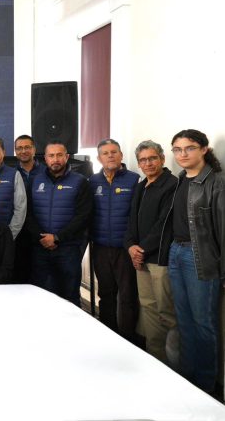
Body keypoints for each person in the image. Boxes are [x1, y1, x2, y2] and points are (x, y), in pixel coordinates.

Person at [167, 129, 225, 394]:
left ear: (204, 149)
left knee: (204, 324)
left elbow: (223, 230)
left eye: (189, 148)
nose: (182, 154)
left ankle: (205, 386)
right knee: (184, 321)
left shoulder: (216, 182)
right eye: (177, 149)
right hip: (176, 253)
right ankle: (187, 381)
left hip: (199, 257)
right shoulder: (181, 179)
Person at [124, 140, 178, 364]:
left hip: (160, 259)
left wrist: (141, 250)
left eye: (152, 158)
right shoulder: (141, 185)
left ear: (162, 159)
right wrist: (130, 246)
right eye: (143, 160)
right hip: (141, 258)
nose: (148, 163)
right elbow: (132, 221)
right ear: (138, 163)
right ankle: (155, 359)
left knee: (166, 313)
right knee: (148, 308)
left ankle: (173, 366)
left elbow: (164, 224)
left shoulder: (172, 185)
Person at [25, 140, 92, 306]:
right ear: (45, 159)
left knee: (70, 297)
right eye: (51, 155)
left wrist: (57, 237)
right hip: (40, 249)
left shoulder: (80, 181)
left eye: (59, 155)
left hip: (68, 249)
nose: (55, 159)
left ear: (67, 157)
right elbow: (28, 214)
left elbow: (83, 216)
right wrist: (42, 238)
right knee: (42, 297)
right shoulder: (35, 181)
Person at [88, 138, 140, 341]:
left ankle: (128, 338)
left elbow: (138, 215)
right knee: (106, 294)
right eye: (105, 153)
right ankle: (107, 336)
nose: (110, 156)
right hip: (100, 247)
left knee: (127, 296)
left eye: (114, 152)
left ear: (121, 155)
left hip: (125, 248)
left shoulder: (134, 180)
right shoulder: (92, 182)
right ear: (99, 158)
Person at [13, 134, 41, 283]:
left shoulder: (46, 172)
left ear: (34, 149)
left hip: (40, 231)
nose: (23, 151)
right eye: (19, 148)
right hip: (18, 232)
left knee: (40, 276)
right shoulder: (11, 173)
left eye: (27, 147)